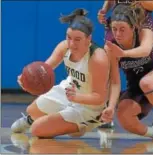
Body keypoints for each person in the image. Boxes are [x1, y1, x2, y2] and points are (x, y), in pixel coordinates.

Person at [11, 8, 110, 138]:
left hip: (89, 106)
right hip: (68, 91)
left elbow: (99, 97)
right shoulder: (64, 46)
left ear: (88, 39)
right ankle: (57, 119)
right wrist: (26, 78)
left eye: (77, 39)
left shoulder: (97, 58)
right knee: (32, 110)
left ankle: (82, 126)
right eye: (69, 37)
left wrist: (77, 98)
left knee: (37, 130)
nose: (72, 44)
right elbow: (45, 69)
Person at [101, 4, 153, 141]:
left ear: (133, 27)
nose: (118, 34)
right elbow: (115, 82)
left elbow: (145, 49)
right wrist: (110, 107)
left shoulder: (144, 31)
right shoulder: (110, 47)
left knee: (147, 82)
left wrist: (124, 53)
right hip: (137, 87)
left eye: (122, 29)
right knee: (123, 115)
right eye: (114, 29)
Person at [97, 0, 153, 129]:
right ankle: (107, 111)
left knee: (150, 63)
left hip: (139, 20)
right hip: (118, 18)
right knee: (108, 66)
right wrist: (104, 9)